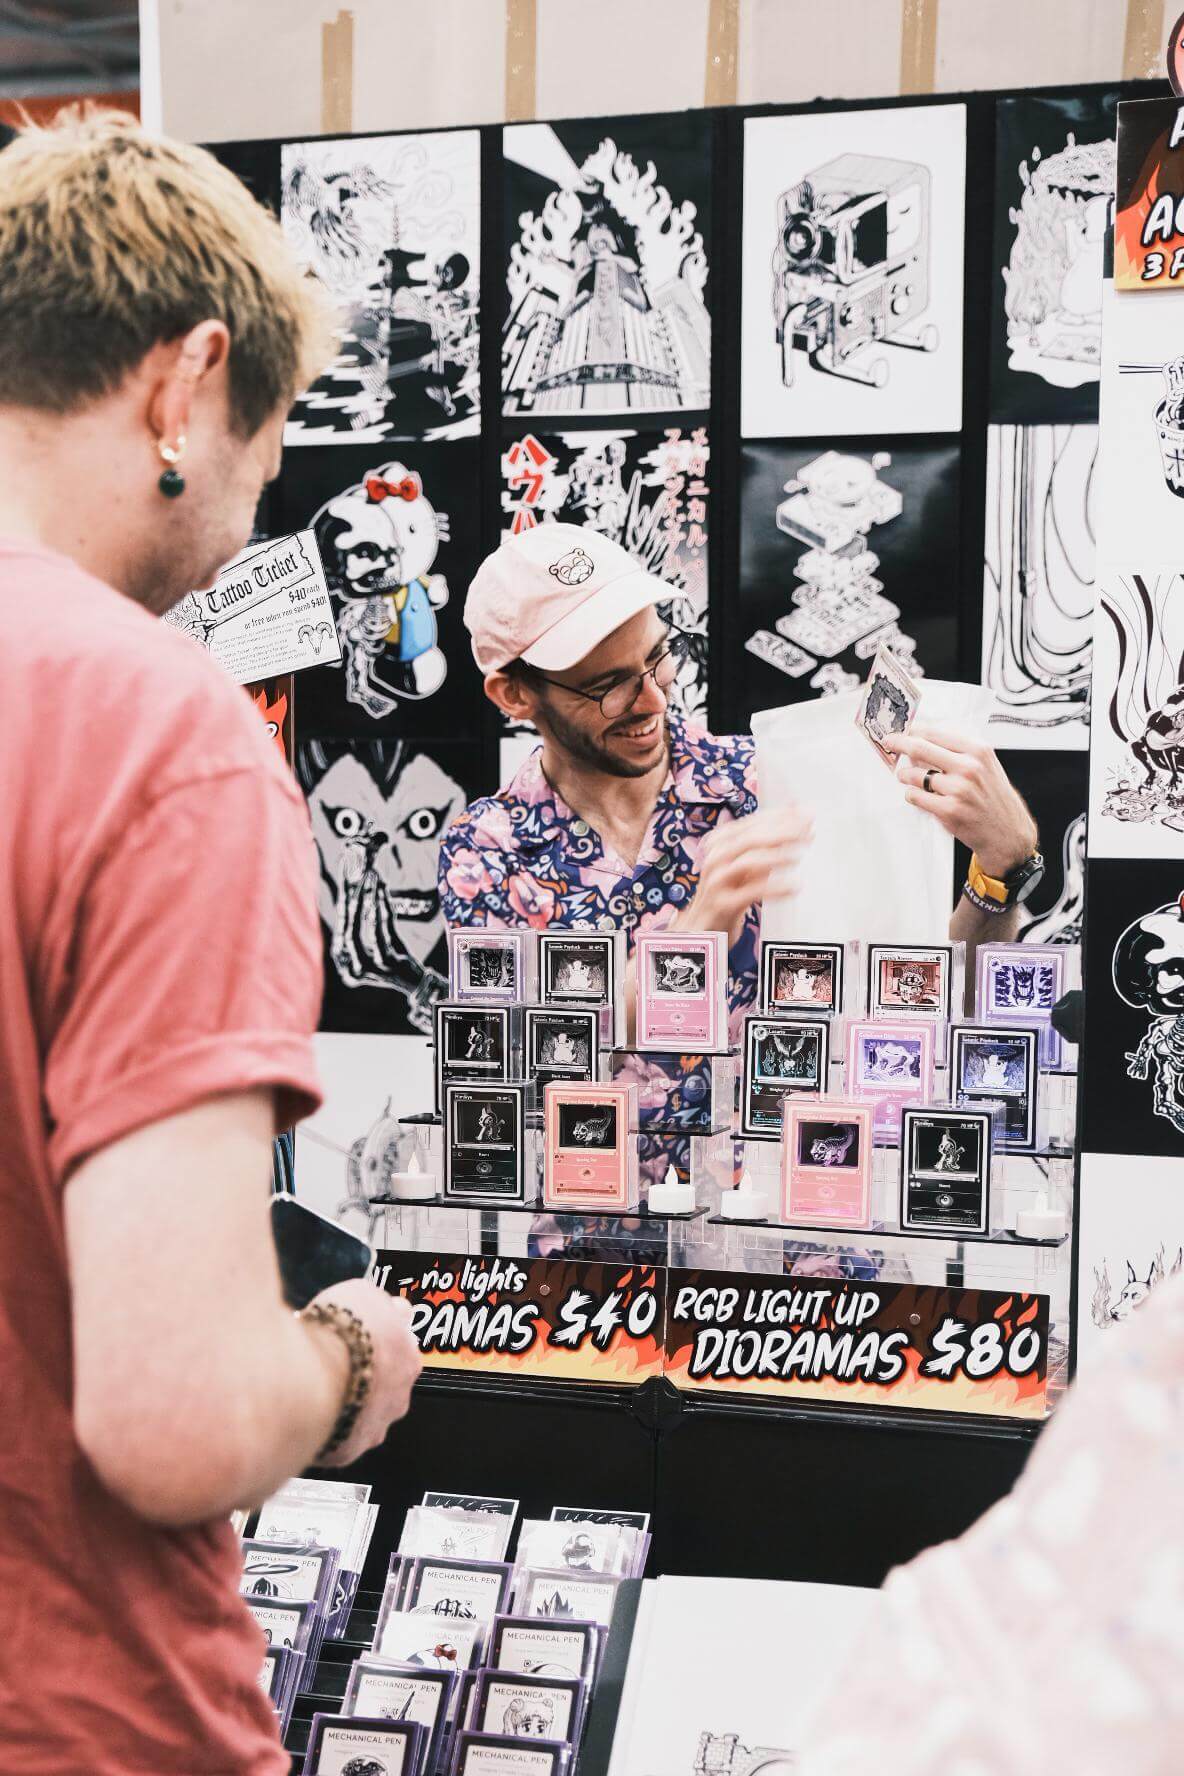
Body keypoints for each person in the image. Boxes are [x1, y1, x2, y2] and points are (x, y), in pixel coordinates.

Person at [0, 111, 422, 1775]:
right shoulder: (154, 727)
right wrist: (342, 1356)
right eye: (268, 443)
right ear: (185, 386)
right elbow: (171, 1418)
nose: (257, 506)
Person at [439, 522, 1042, 1038]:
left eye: (658, 657)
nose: (651, 699)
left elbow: (923, 1009)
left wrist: (1004, 863)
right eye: (607, 686)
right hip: (582, 1174)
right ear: (514, 693)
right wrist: (694, 936)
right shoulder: (486, 852)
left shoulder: (770, 784)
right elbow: (515, 1049)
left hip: (777, 1175)